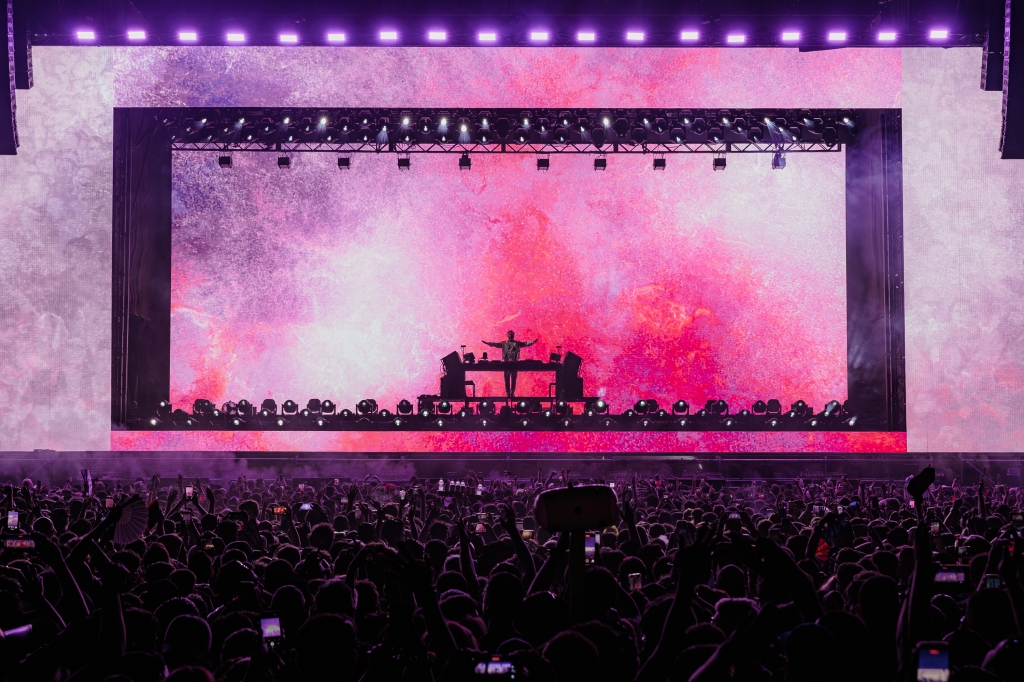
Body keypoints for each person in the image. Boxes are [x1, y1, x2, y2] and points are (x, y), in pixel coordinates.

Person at [482, 331, 538, 402]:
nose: (510, 335)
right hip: (506, 363)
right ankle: (508, 393)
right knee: (507, 379)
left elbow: (526, 344)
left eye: (512, 334)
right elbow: (495, 344)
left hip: (514, 363)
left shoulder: (517, 343)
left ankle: (512, 392)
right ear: (507, 335)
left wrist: (533, 342)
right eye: (509, 334)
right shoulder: (504, 343)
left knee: (513, 379)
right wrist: (488, 343)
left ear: (513, 335)